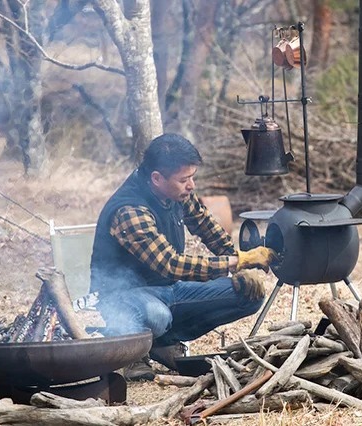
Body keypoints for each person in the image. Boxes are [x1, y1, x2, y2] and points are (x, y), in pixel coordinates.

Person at [90, 133, 278, 378]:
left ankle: (161, 344)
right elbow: (170, 264)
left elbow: (205, 224)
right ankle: (132, 352)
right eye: (184, 179)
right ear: (157, 178)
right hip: (123, 297)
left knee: (248, 295)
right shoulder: (130, 210)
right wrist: (236, 262)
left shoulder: (176, 193)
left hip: (169, 290)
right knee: (157, 315)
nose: (191, 186)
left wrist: (239, 264)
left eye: (192, 177)